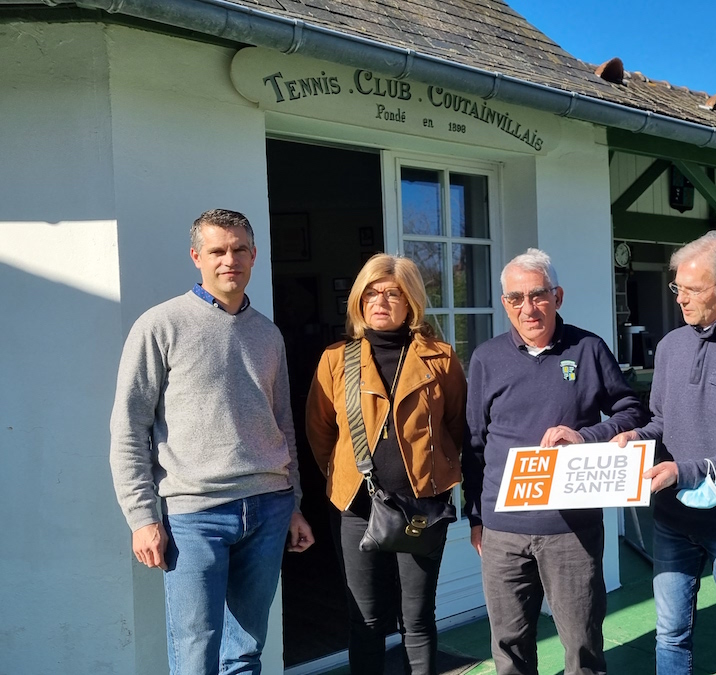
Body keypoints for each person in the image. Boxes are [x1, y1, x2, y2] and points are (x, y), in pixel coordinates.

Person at [110, 208, 314, 675]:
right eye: (218, 250)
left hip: (269, 507)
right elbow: (128, 427)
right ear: (196, 256)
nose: (229, 260)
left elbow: (282, 423)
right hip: (195, 516)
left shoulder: (268, 333)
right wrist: (142, 517)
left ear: (254, 255)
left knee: (244, 652)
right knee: (195, 654)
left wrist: (295, 505)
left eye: (239, 249)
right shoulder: (160, 325)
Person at [463, 248, 647, 675]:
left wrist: (584, 436)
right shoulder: (487, 358)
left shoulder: (588, 349)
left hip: (571, 528)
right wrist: (475, 517)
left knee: (582, 646)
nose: (528, 308)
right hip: (503, 530)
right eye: (516, 298)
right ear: (505, 303)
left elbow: (632, 413)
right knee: (509, 649)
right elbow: (473, 444)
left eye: (538, 295)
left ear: (557, 297)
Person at [612, 231, 716, 675]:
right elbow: (662, 422)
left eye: (693, 288)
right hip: (672, 520)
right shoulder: (670, 346)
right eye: (678, 287)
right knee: (670, 636)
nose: (681, 298)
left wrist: (684, 471)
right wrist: (636, 437)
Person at [305, 254, 466, 675]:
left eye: (392, 293)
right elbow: (320, 433)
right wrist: (345, 476)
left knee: (417, 618)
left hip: (422, 509)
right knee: (366, 620)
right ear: (359, 301)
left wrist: (436, 475)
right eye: (371, 293)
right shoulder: (336, 359)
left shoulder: (440, 358)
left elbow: (455, 426)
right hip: (357, 509)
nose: (380, 301)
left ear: (410, 301)